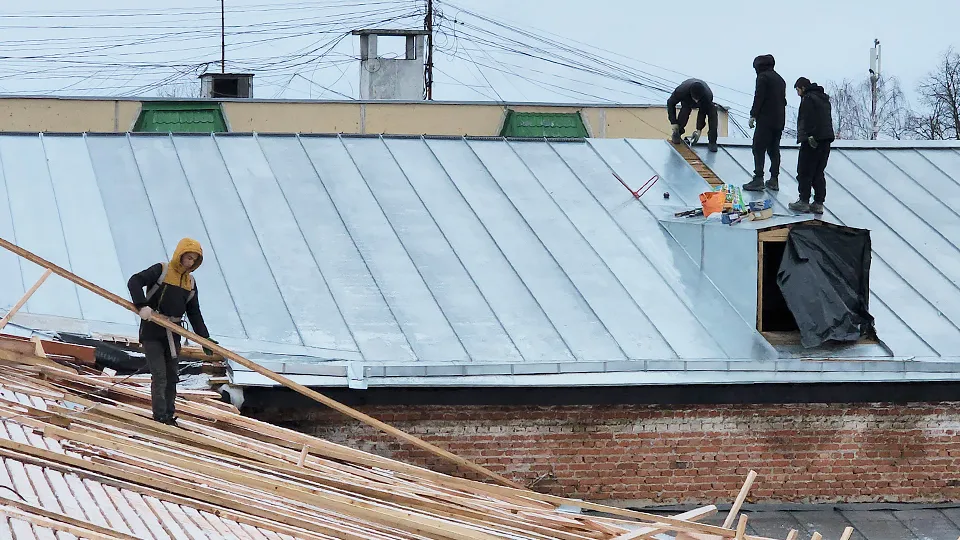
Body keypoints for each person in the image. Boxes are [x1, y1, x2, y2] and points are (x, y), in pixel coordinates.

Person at [128, 238, 215, 425]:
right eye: (188, 257)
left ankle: (169, 415)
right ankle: (159, 417)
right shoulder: (162, 270)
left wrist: (204, 338)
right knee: (159, 375)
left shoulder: (190, 282)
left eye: (194, 260)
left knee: (172, 376)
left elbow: (194, 312)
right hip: (152, 330)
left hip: (172, 334)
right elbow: (134, 281)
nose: (190, 262)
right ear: (180, 255)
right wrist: (142, 306)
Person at [790, 77, 835, 214]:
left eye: (798, 90)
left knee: (804, 171)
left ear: (802, 88)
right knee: (818, 172)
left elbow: (808, 118)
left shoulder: (808, 98)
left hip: (812, 141)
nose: (798, 93)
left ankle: (804, 201)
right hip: (826, 141)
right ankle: (818, 203)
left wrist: (809, 135)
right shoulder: (823, 98)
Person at [743, 54, 787, 192]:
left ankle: (758, 178)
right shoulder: (780, 79)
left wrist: (753, 115)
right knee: (774, 149)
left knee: (758, 147)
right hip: (779, 120)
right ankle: (774, 179)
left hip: (766, 119)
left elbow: (759, 96)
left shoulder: (763, 77)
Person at [667, 78, 719, 152]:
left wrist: (699, 130)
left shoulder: (707, 95)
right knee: (685, 111)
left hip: (704, 101)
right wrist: (673, 122)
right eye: (695, 99)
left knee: (713, 112)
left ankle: (712, 141)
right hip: (687, 100)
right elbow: (670, 103)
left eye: (698, 99)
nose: (696, 101)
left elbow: (702, 112)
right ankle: (677, 133)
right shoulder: (681, 91)